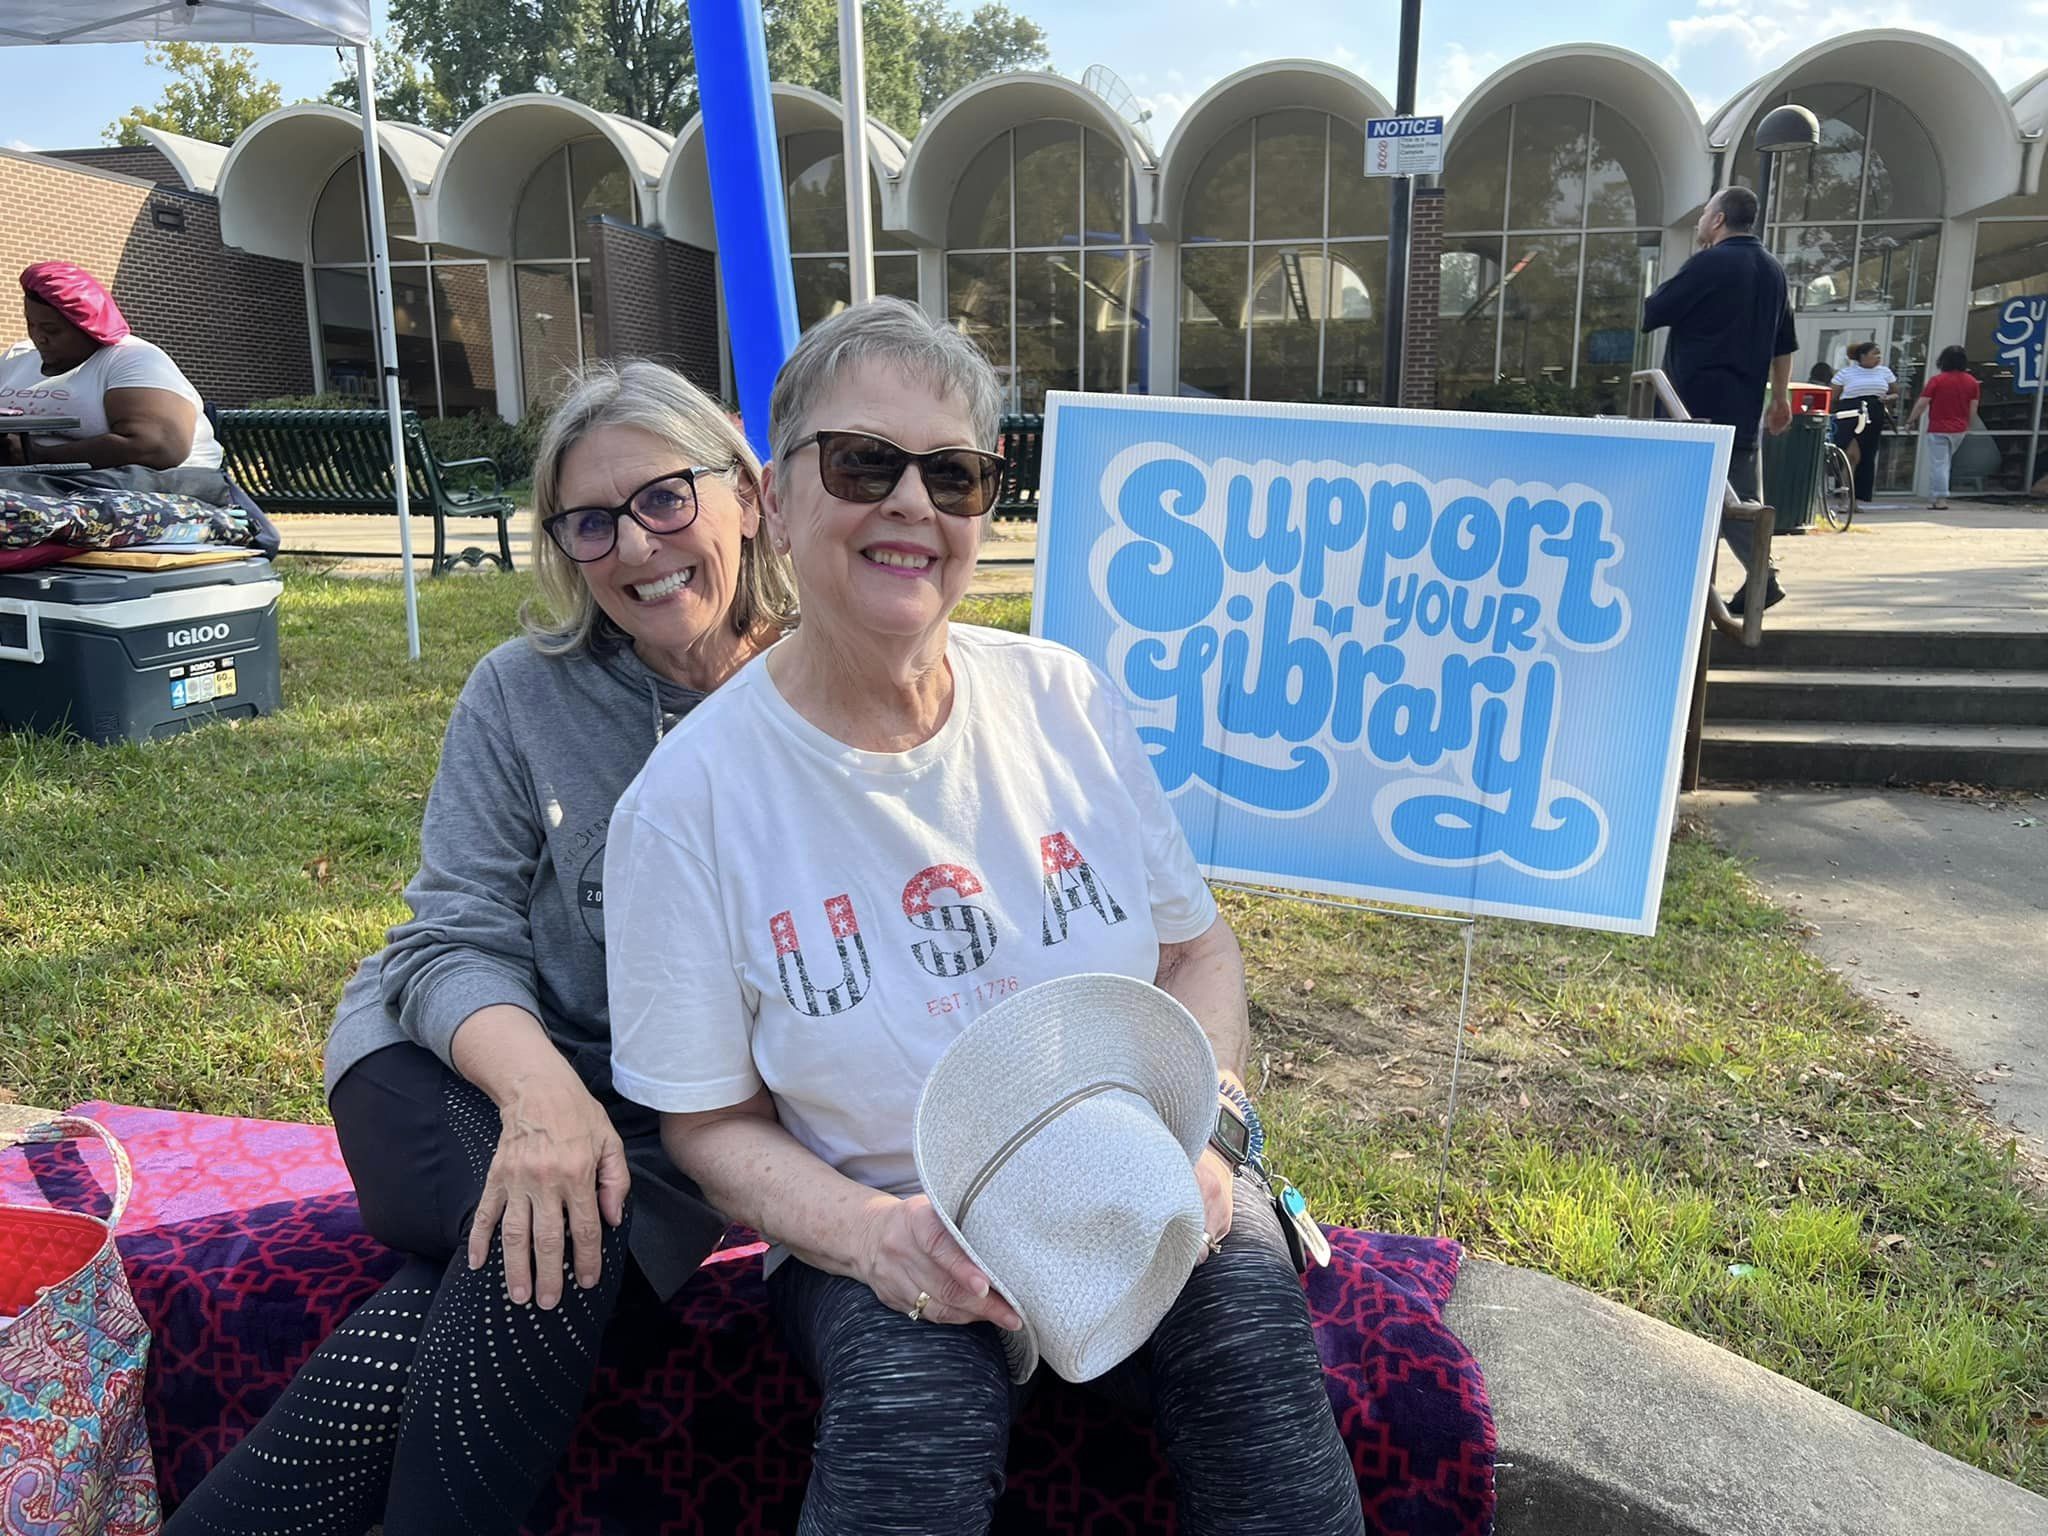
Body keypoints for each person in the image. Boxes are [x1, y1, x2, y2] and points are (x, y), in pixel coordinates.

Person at [604, 297, 1365, 1536]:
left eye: (953, 475)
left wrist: (1211, 1141)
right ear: (771, 501)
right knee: (918, 1399)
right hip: (885, 1216)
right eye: (863, 463)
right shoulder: (685, 807)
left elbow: (1193, 951)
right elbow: (706, 1121)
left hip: (1132, 1166)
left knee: (1244, 1339)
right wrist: (873, 1237)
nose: (912, 505)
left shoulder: (1064, 701)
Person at [163, 360, 796, 1535]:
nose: (637, 546)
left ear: (748, 494)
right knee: (552, 1237)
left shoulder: (826, 699)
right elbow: (450, 937)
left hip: (672, 1131)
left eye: (665, 497)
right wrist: (546, 1104)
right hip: (450, 1060)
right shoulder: (521, 692)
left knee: (534, 1261)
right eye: (591, 522)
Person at [1641, 184, 1796, 614]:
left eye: (1704, 214)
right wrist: (1779, 398)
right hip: (1744, 408)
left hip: (1693, 407)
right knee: (1739, 501)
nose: (1698, 222)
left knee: (1702, 503)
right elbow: (1784, 344)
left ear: (1719, 219)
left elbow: (1654, 311)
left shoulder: (1708, 264)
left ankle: (1743, 582)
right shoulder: (1773, 271)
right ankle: (1759, 578)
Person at [0, 262, 221, 470]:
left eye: (52, 329)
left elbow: (156, 448)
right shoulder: (17, 357)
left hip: (146, 488)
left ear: (88, 326)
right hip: (36, 483)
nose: (39, 338)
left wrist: (40, 456)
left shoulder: (132, 358)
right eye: (31, 324)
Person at [1904, 345, 1979, 510]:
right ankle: (1938, 496)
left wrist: (1911, 420)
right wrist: (1968, 425)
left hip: (1938, 427)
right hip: (1959, 429)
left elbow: (1922, 403)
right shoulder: (1972, 382)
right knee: (1945, 463)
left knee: (1939, 464)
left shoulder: (1937, 380)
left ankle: (1940, 498)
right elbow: (1973, 407)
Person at [1830, 340, 1897, 508]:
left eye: (1879, 354)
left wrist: (1888, 398)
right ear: (1862, 356)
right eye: (1874, 353)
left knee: (1866, 456)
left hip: (1874, 411)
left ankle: (1857, 498)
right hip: (1849, 412)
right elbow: (1833, 396)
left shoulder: (1885, 372)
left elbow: (1895, 392)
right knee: (1851, 455)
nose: (1878, 357)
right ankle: (1845, 497)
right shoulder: (1846, 373)